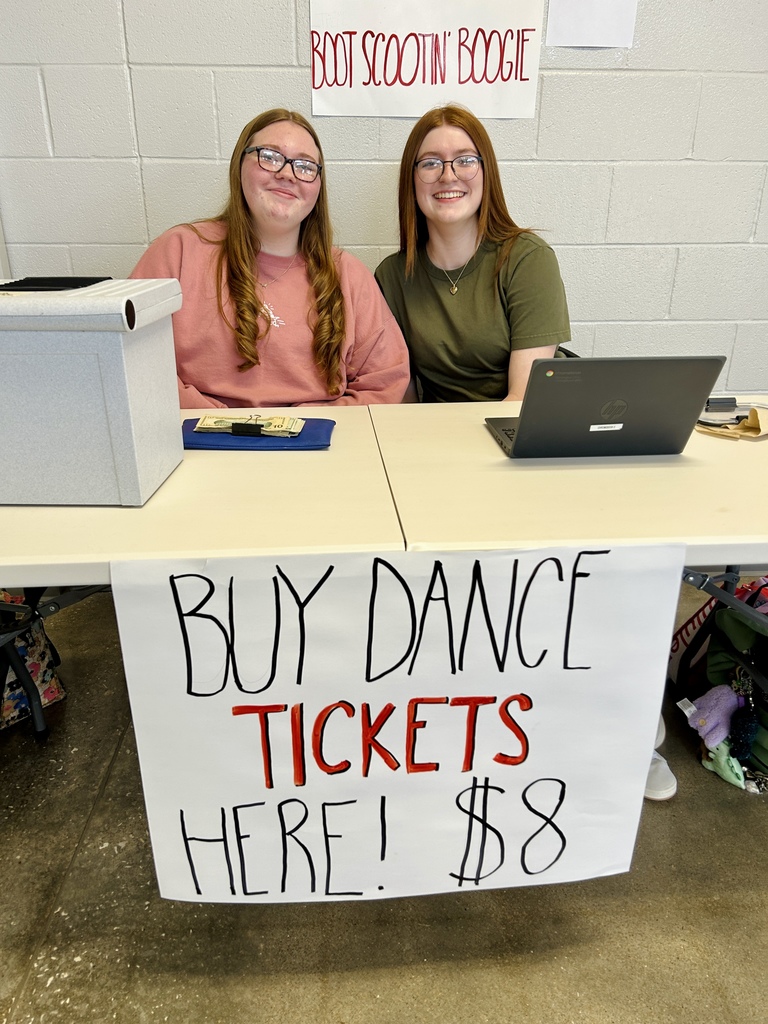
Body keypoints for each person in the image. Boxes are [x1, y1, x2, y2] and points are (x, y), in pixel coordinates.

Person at [131, 109, 410, 408]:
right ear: (239, 165)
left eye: (304, 166)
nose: (287, 174)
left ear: (318, 186)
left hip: (318, 447)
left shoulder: (349, 275)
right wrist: (218, 426)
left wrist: (306, 429)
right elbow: (130, 355)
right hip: (199, 442)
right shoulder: (179, 252)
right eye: (270, 156)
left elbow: (385, 381)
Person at [375, 105, 571, 402]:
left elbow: (521, 404)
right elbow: (405, 399)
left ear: (485, 171)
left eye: (465, 160)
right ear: (411, 180)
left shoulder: (528, 259)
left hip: (518, 432)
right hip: (441, 436)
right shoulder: (391, 277)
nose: (447, 176)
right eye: (430, 163)